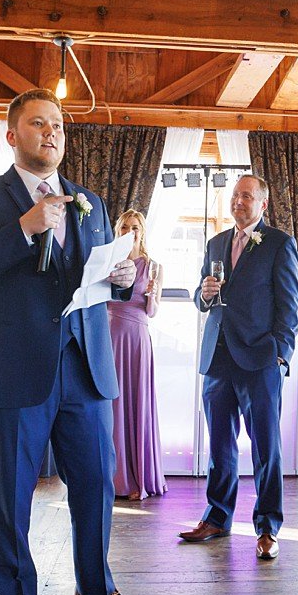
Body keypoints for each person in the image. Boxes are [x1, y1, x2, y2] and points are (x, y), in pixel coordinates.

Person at [0, 88, 148, 595]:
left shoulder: (90, 201)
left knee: (97, 485)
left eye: (58, 125)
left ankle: (95, 585)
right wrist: (23, 229)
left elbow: (97, 282)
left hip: (84, 368)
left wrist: (124, 275)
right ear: (13, 136)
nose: (51, 133)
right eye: (38, 123)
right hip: (11, 371)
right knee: (9, 497)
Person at [179, 175, 298, 562]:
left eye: (246, 196)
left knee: (266, 448)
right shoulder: (216, 242)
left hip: (260, 359)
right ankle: (217, 517)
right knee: (219, 445)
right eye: (234, 195)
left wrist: (280, 353)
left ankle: (267, 527)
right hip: (217, 357)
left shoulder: (280, 243)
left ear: (262, 204)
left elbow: (290, 305)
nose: (238, 201)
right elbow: (202, 298)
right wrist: (203, 293)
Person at [107, 208, 166, 500]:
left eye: (136, 227)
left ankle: (137, 478)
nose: (131, 231)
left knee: (136, 403)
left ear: (142, 232)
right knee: (112, 407)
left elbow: (152, 312)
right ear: (118, 230)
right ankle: (114, 477)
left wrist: (153, 294)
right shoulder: (108, 262)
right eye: (125, 226)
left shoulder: (153, 266)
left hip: (137, 338)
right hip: (109, 337)